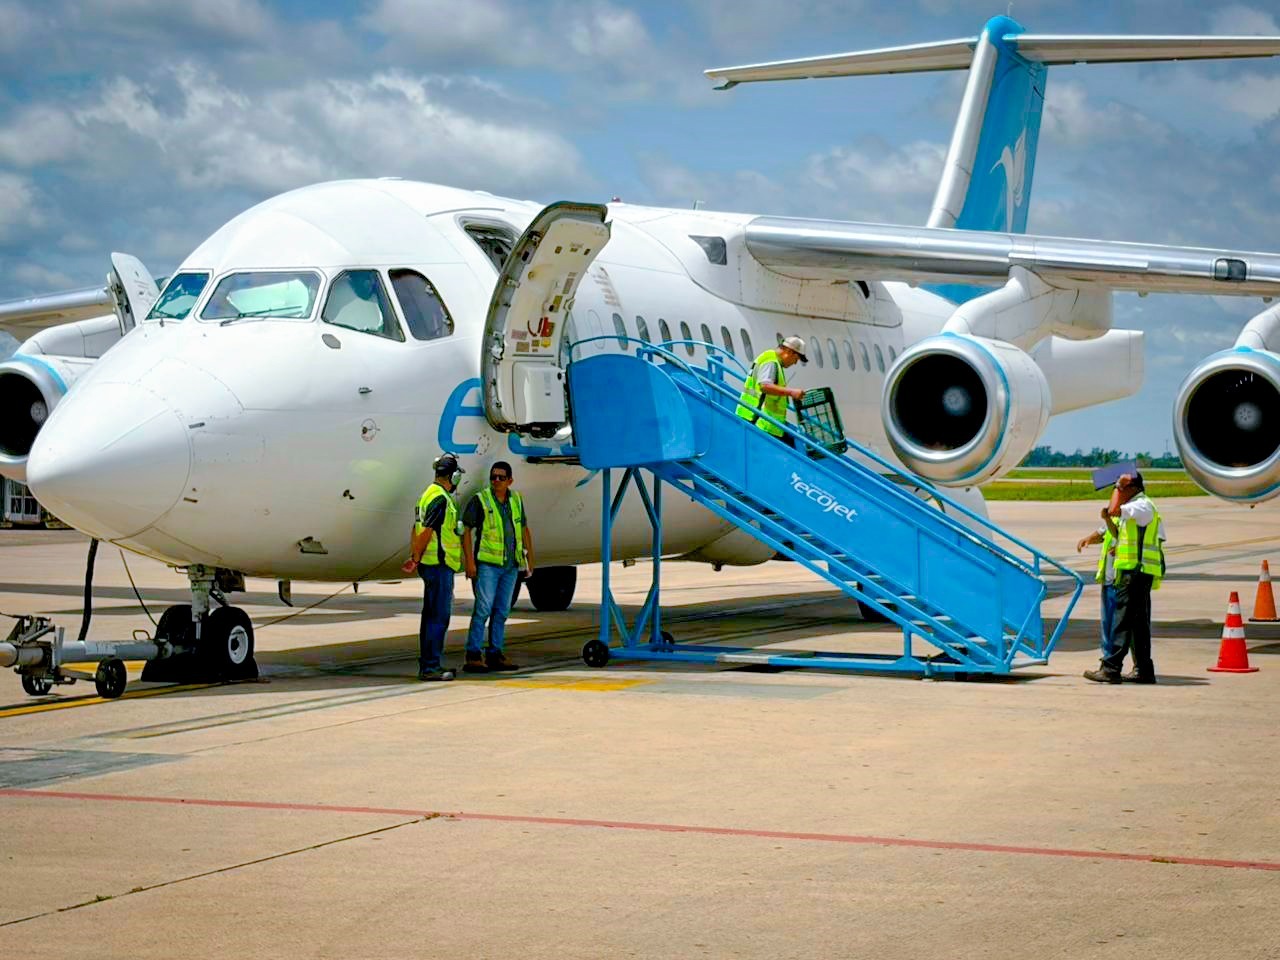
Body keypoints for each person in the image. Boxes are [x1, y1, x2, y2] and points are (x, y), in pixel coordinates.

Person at [1083, 473, 1165, 685]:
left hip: (1135, 572)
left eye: (1121, 487)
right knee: (1138, 624)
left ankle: (1111, 669)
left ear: (1134, 488)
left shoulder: (1141, 506)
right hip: (1135, 571)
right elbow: (1118, 530)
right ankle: (1144, 670)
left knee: (1122, 622)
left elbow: (1113, 509)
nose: (1118, 490)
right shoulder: (1136, 507)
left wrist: (1116, 489)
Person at [461, 460, 534, 672]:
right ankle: (473, 655)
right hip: (488, 565)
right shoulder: (481, 500)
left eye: (501, 477)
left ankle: (495, 653)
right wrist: (470, 562)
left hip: (510, 566)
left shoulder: (516, 500)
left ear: (510, 480)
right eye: (493, 477)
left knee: (502, 610)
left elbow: (524, 528)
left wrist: (530, 559)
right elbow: (466, 530)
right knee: (483, 609)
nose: (496, 480)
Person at [401, 453, 465, 681]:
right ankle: (431, 667)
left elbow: (415, 528)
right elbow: (427, 531)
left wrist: (415, 557)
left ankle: (428, 664)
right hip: (439, 565)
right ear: (453, 477)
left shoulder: (426, 495)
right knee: (438, 617)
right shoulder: (440, 499)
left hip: (431, 565)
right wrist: (416, 556)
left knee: (430, 617)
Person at [735, 336, 808, 445]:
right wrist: (791, 392)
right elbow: (764, 386)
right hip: (758, 422)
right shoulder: (771, 362)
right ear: (789, 352)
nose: (795, 363)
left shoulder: (773, 361)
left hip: (762, 422)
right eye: (796, 359)